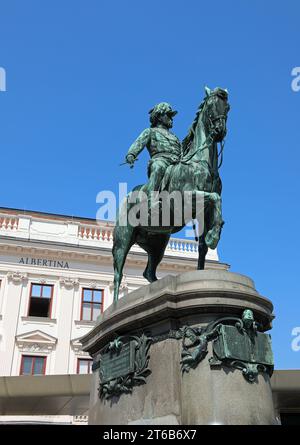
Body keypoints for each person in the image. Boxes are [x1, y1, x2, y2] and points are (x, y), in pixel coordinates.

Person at [125, 102, 182, 193]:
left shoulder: (175, 137)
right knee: (158, 167)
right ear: (159, 117)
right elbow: (138, 143)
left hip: (177, 163)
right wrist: (131, 154)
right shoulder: (150, 131)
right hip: (161, 160)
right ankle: (151, 199)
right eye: (169, 115)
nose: (171, 119)